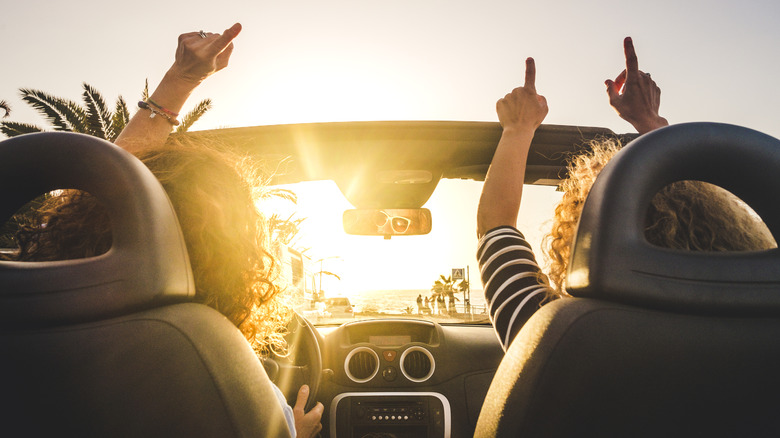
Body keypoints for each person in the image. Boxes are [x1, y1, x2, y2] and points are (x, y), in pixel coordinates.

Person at [11, 23, 323, 438]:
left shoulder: (29, 323)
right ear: (236, 257)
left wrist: (181, 79)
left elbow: (106, 183)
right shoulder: (222, 364)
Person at [476, 37, 775, 350]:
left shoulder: (553, 338)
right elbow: (495, 230)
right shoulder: (765, 332)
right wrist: (650, 121)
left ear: (584, 238)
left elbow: (494, 227)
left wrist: (518, 128)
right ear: (721, 224)